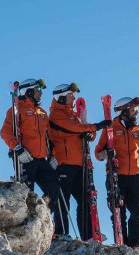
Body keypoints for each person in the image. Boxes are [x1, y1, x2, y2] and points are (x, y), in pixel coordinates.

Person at [48, 83, 112, 240]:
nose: (74, 98)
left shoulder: (74, 116)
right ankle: (62, 233)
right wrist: (96, 126)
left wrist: (91, 135)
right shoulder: (56, 116)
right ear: (61, 97)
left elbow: (83, 130)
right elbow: (73, 129)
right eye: (71, 95)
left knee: (85, 201)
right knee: (63, 201)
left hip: (80, 164)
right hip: (64, 164)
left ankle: (88, 235)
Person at [0, 78, 62, 236]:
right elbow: (5, 132)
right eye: (38, 90)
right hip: (25, 158)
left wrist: (53, 156)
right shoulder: (16, 110)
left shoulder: (42, 113)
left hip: (41, 159)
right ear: (28, 92)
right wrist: (18, 149)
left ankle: (43, 219)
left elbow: (49, 137)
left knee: (54, 189)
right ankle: (26, 227)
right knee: (27, 193)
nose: (41, 94)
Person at [94, 96, 139, 247]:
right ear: (124, 111)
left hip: (134, 177)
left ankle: (135, 244)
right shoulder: (111, 128)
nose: (136, 113)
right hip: (116, 177)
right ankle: (122, 243)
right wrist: (107, 154)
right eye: (134, 110)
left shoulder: (138, 130)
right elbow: (97, 153)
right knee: (118, 212)